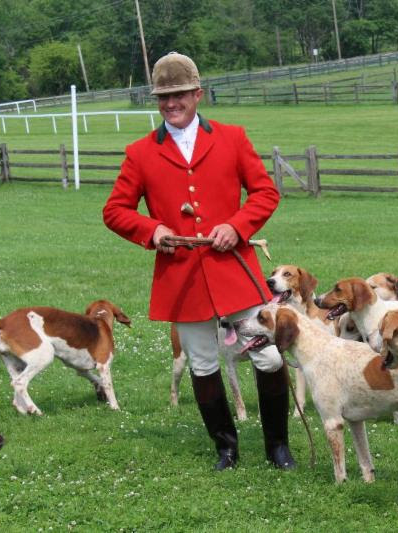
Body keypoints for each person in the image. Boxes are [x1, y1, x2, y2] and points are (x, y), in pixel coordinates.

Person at [103, 52, 293, 471]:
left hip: (234, 269)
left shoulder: (233, 137)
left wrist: (237, 226)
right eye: (163, 97)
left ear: (197, 94)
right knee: (204, 363)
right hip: (182, 276)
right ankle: (225, 448)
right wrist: (151, 230)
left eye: (180, 95)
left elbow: (265, 193)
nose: (171, 103)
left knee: (269, 357)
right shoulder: (139, 153)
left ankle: (278, 446)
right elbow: (115, 210)